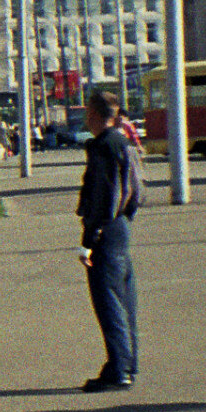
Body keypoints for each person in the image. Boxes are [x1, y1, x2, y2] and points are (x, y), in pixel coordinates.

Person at [76, 86, 145, 392]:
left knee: (109, 302)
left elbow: (103, 196)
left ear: (92, 113)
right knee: (124, 299)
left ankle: (118, 370)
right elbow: (137, 191)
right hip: (121, 228)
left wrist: (90, 237)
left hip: (106, 229)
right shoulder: (124, 142)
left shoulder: (103, 146)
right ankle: (127, 363)